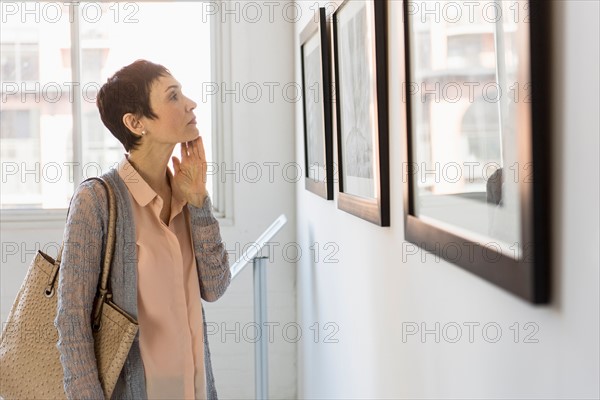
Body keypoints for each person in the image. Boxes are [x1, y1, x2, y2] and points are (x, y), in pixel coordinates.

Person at [54, 59, 231, 400]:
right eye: (173, 96)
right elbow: (71, 321)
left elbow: (216, 286)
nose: (190, 103)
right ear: (135, 123)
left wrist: (199, 202)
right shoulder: (96, 201)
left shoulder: (185, 193)